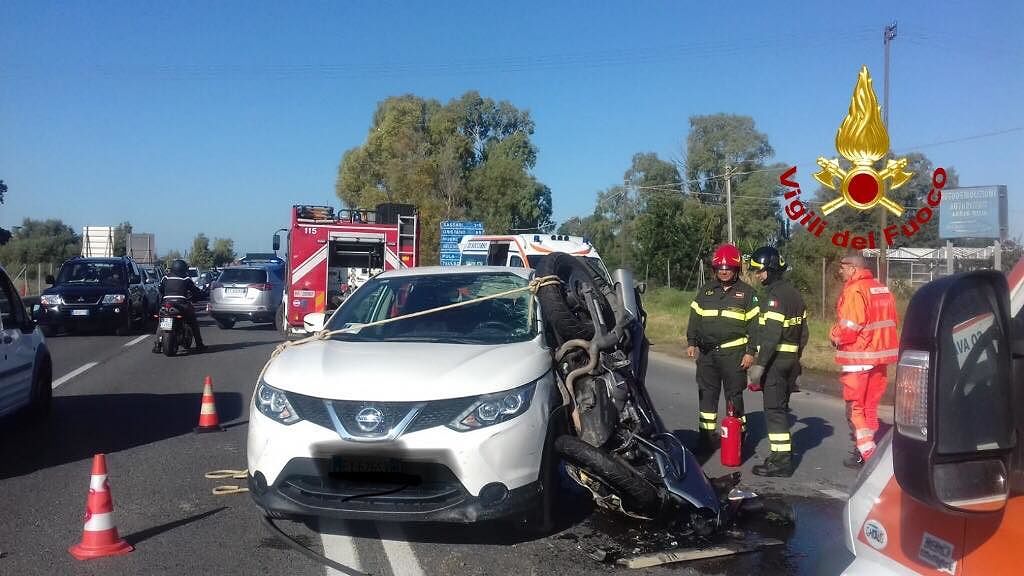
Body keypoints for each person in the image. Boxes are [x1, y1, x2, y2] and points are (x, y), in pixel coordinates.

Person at [686, 243, 759, 455]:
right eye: (720, 268)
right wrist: (691, 342)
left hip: (734, 355)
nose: (724, 272)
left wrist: (750, 352)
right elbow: (695, 319)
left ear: (736, 269)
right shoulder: (706, 291)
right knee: (706, 395)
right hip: (707, 354)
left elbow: (755, 327)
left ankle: (737, 438)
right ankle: (706, 439)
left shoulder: (748, 294)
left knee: (733, 396)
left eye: (728, 268)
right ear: (715, 269)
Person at [830, 251, 898, 468]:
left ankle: (869, 455)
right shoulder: (880, 287)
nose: (840, 270)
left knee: (854, 409)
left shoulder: (854, 289)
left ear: (853, 268)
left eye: (842, 266)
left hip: (858, 357)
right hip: (880, 359)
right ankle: (865, 450)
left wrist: (833, 335)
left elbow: (850, 327)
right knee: (870, 407)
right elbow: (891, 320)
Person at [747, 246, 808, 477]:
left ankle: (781, 463)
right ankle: (779, 455)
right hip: (790, 361)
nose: (757, 275)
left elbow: (771, 336)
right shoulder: (794, 294)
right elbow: (804, 333)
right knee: (781, 409)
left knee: (774, 412)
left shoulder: (774, 297)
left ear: (771, 269)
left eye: (760, 271)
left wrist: (760, 366)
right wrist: (796, 357)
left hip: (775, 363)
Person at [153, 259, 206, 352]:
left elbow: (160, 288)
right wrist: (200, 296)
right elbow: (194, 291)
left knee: (161, 321)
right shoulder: (186, 278)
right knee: (193, 321)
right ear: (183, 269)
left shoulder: (165, 277)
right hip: (181, 304)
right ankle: (199, 344)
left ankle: (157, 345)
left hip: (166, 304)